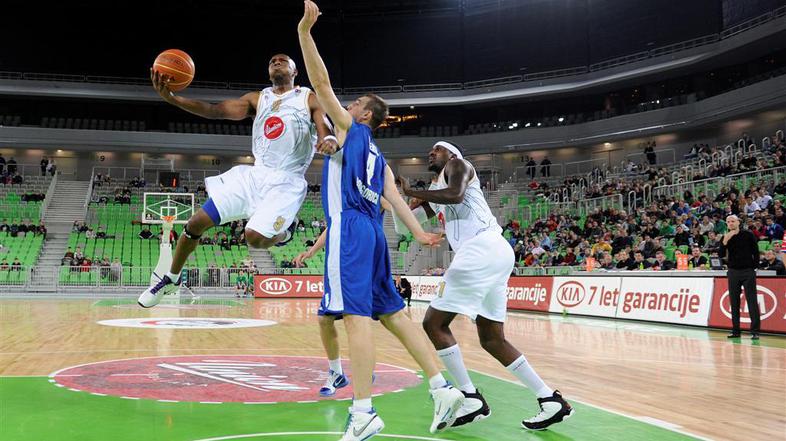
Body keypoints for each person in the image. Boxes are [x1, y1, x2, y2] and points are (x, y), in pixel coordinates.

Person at [298, 4, 463, 439]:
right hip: (374, 233)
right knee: (393, 315)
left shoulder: (352, 130)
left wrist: (305, 32)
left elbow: (320, 83)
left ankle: (364, 411)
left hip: (351, 228)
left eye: (354, 105)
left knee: (355, 318)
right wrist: (418, 233)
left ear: (365, 115)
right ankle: (443, 387)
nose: (346, 105)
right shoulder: (379, 158)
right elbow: (396, 199)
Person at [138, 50, 336, 308]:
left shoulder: (307, 97)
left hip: (286, 183)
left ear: (295, 71)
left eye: (283, 60)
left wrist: (328, 138)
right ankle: (171, 278)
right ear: (268, 72)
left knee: (253, 237)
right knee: (195, 223)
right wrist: (173, 99)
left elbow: (324, 124)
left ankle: (284, 234)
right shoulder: (258, 99)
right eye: (272, 61)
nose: (276, 62)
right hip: (254, 176)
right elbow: (215, 110)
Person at [399, 140, 573, 431]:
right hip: (494, 253)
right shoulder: (437, 188)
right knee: (492, 339)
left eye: (437, 149)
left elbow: (454, 195)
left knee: (433, 323)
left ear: (451, 154)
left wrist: (412, 192)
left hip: (481, 248)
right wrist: (397, 202)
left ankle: (470, 397)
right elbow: (406, 224)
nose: (431, 152)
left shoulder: (458, 165)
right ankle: (550, 399)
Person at [719, 215, 760, 339]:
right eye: (728, 222)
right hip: (733, 272)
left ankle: (755, 331)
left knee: (752, 301)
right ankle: (736, 331)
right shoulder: (725, 237)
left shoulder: (748, 234)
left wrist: (754, 267)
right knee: (734, 302)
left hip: (748, 271)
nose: (730, 223)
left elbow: (755, 251)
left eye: (733, 221)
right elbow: (721, 255)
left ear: (738, 222)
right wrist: (725, 242)